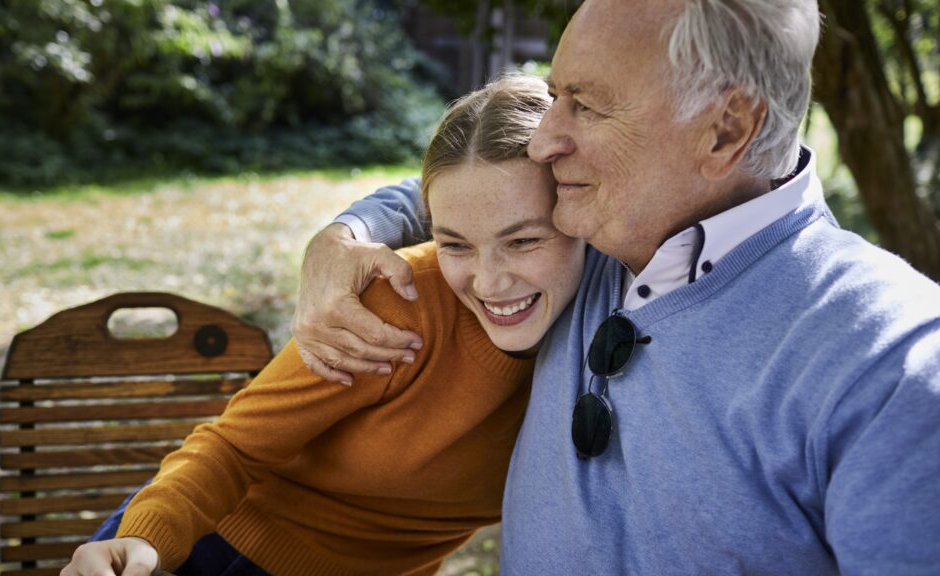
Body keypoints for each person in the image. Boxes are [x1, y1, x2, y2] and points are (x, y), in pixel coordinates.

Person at [292, 0, 940, 573]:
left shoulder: (890, 363)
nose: (545, 140)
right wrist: (344, 236)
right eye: (552, 99)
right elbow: (468, 190)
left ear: (726, 130)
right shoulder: (589, 234)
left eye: (586, 105)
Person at [60, 74, 586, 576]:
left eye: (523, 241)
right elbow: (233, 446)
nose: (489, 283)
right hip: (210, 548)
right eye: (455, 243)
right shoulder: (400, 306)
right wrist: (147, 537)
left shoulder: (607, 326)